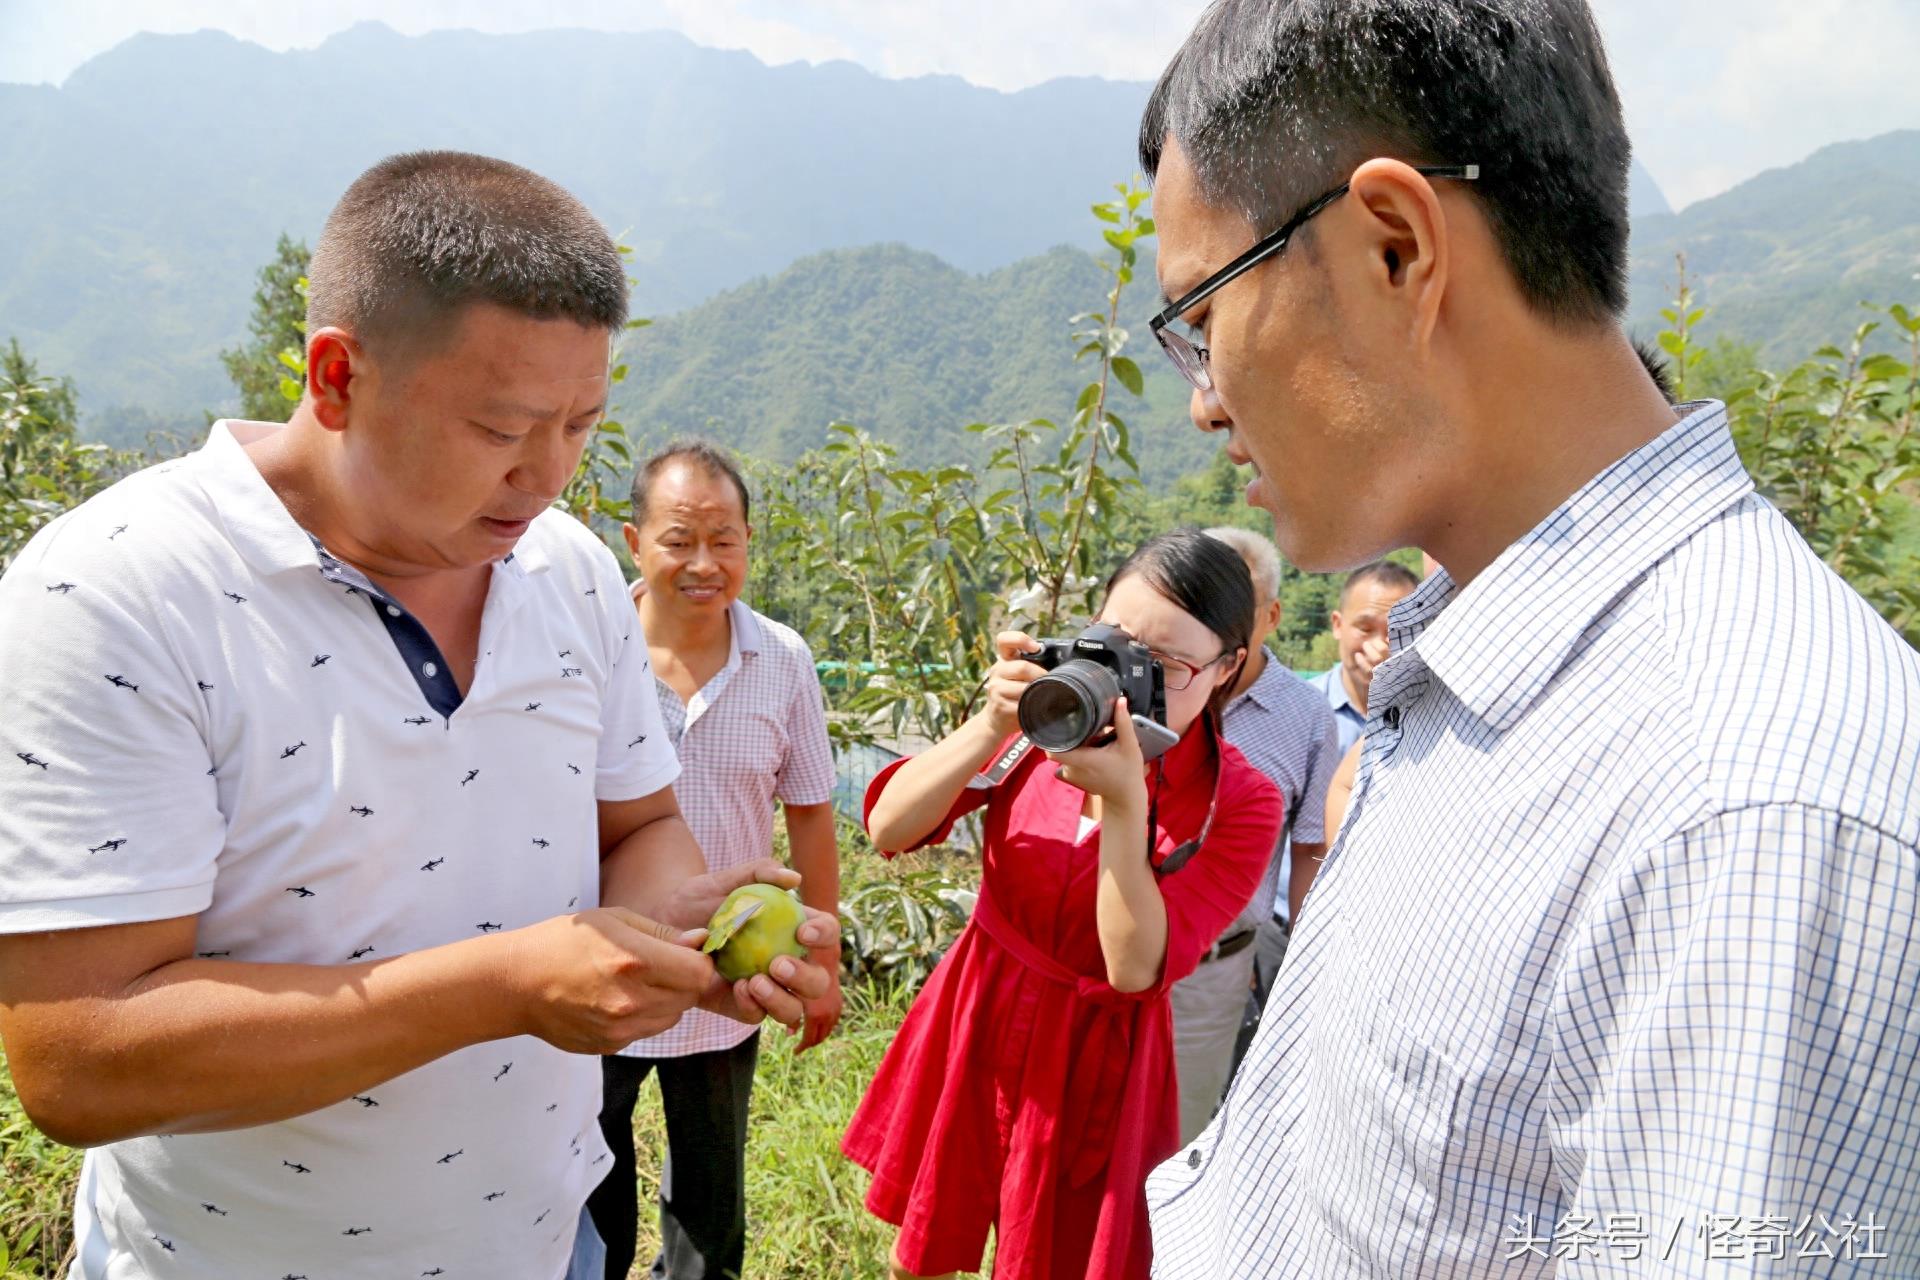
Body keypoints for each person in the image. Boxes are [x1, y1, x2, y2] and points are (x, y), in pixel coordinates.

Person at [1138, 2, 1920, 1275]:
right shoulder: (1486, 665)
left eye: (1203, 314)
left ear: (1396, 248)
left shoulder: (1748, 809)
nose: (1205, 399)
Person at [0, 151, 836, 1280]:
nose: (546, 477)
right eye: (501, 430)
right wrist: (503, 986)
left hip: (547, 1241)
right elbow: (79, 1059)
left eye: (581, 425)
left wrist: (669, 934)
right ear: (337, 377)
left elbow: (638, 825)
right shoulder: (115, 595)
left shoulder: (572, 572)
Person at [844, 529, 1286, 1280]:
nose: (1130, 679)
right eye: (1117, 645)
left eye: (1169, 665)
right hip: (980, 1007)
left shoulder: (1240, 800)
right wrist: (992, 722)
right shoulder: (1041, 727)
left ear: (1228, 669)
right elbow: (888, 828)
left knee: (1053, 1256)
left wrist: (1123, 805)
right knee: (923, 1244)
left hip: (1096, 1055)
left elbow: (1132, 967)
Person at [591, 441, 841, 1280]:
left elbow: (809, 815)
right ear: (634, 542)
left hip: (732, 978)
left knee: (709, 1197)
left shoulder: (784, 660)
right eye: (678, 539)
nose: (704, 563)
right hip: (605, 964)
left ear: (747, 542)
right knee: (590, 1181)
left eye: (724, 540)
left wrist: (820, 954)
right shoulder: (588, 653)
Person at [1167, 525, 1337, 1143]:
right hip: (1100, 953)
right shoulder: (1147, 689)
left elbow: (1310, 852)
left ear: (1271, 615)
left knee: (1174, 1141)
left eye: (1237, 605)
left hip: (1213, 975)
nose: (1216, 622)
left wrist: (1303, 972)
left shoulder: (1306, 715)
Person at [1308, 560, 1418, 753]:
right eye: (1365, 629)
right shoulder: (1301, 709)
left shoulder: (1434, 712)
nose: (1379, 647)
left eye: (1396, 630)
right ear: (1337, 625)